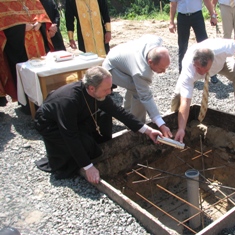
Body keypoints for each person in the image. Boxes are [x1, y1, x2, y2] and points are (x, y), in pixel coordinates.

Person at [34, 66, 163, 184]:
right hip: (51, 125)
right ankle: (76, 161)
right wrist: (88, 167)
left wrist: (148, 131)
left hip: (76, 118)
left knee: (104, 115)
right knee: (82, 143)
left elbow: (119, 112)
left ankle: (97, 146)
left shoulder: (95, 92)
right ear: (91, 88)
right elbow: (70, 136)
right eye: (106, 89)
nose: (110, 93)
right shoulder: (68, 101)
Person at [172, 38, 235, 142]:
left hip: (221, 64)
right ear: (194, 63)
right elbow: (186, 101)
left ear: (212, 59)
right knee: (179, 95)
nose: (202, 73)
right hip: (198, 69)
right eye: (199, 69)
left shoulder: (221, 49)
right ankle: (174, 118)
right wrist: (181, 129)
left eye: (205, 70)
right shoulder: (189, 69)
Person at [102, 35, 173, 138]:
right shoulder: (141, 72)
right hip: (113, 67)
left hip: (125, 55)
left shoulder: (156, 40)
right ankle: (137, 125)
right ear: (150, 62)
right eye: (162, 68)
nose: (164, 72)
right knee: (138, 91)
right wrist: (161, 125)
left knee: (136, 87)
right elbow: (146, 97)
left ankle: (128, 113)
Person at [0, 0, 54, 107]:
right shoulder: (3, 3)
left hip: (39, 44)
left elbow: (42, 16)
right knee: (25, 72)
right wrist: (21, 28)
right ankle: (29, 105)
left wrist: (40, 23)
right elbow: (3, 27)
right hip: (20, 47)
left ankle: (49, 97)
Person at [168, 0, 217, 74]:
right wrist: (171, 22)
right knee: (182, 46)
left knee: (204, 44)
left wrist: (212, 15)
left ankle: (211, 72)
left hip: (197, 16)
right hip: (182, 17)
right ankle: (182, 72)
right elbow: (173, 4)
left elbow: (206, 1)